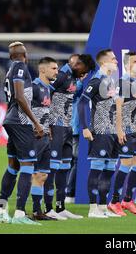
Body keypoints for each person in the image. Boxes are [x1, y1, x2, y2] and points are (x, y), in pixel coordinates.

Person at [0, 41, 44, 225]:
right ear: (25, 55)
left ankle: (0, 209)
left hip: (10, 120)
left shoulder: (10, 69)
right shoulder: (21, 67)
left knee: (13, 166)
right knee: (28, 166)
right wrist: (36, 122)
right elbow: (20, 96)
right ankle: (20, 214)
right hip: (20, 122)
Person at [44, 54, 95, 220]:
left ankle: (60, 207)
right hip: (56, 126)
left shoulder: (74, 78)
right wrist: (46, 124)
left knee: (65, 167)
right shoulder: (60, 76)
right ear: (78, 64)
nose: (84, 74)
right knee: (52, 168)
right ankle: (47, 208)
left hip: (67, 126)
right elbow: (46, 97)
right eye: (84, 70)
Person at [80, 49, 121, 218]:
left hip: (111, 133)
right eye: (113, 58)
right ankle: (92, 208)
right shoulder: (96, 80)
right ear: (104, 62)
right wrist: (84, 127)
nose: (117, 61)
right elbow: (82, 103)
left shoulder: (110, 81)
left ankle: (103, 207)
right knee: (97, 169)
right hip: (101, 131)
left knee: (109, 170)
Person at [109, 51, 136, 216]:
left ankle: (127, 200)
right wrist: (119, 129)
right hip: (126, 131)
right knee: (125, 165)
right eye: (135, 61)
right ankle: (114, 201)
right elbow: (118, 107)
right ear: (126, 65)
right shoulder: (122, 82)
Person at [30, 57, 59, 221]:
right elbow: (21, 109)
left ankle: (37, 211)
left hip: (46, 136)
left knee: (42, 175)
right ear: (43, 70)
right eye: (53, 68)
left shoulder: (48, 88)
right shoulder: (33, 87)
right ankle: (21, 209)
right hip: (34, 137)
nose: (56, 71)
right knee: (32, 174)